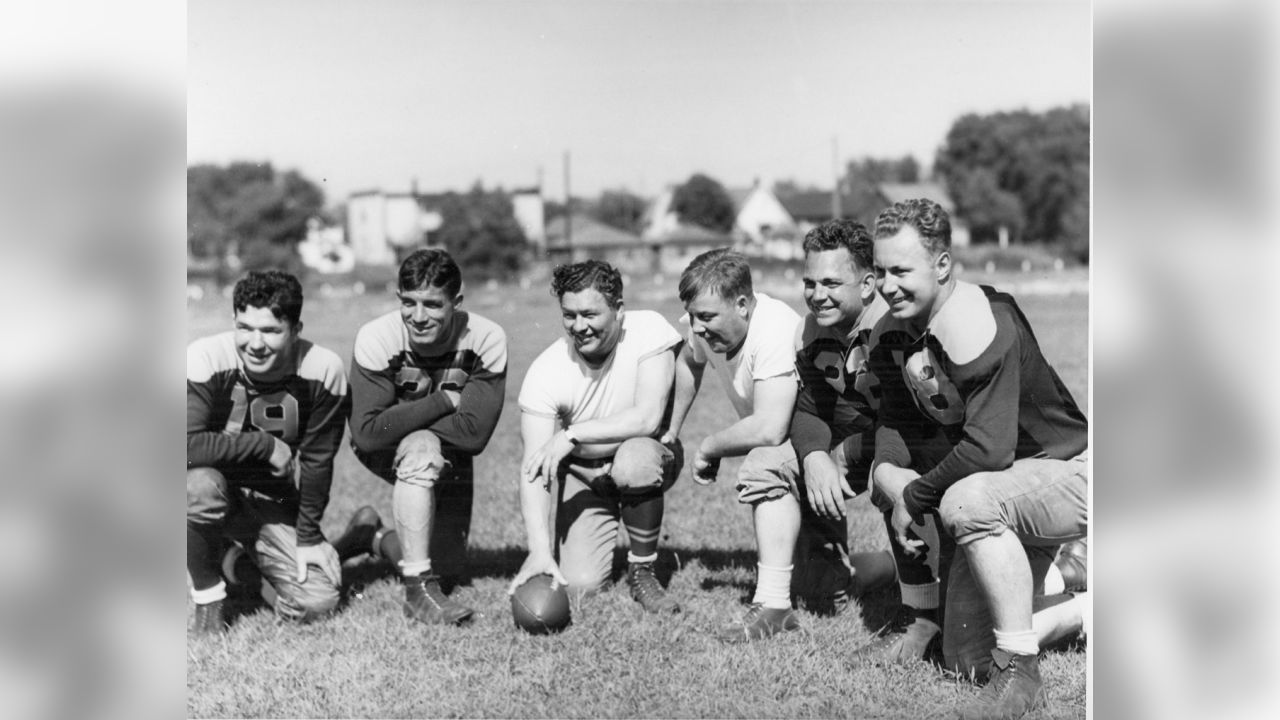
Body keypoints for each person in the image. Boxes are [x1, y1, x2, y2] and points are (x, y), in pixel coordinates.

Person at [868, 199, 1089, 719]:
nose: (886, 284)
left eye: (901, 270)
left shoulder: (980, 318)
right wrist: (887, 470)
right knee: (965, 659)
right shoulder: (895, 329)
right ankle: (1082, 605)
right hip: (1005, 490)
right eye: (879, 271)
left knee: (966, 501)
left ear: (943, 265)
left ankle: (1020, 669)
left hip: (1070, 472)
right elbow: (897, 422)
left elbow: (989, 448)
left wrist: (915, 496)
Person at [784, 220, 944, 658]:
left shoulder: (894, 325)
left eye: (832, 282)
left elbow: (916, 421)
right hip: (868, 438)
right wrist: (815, 454)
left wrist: (850, 451)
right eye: (810, 283)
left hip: (926, 442)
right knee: (780, 463)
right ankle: (828, 574)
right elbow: (810, 407)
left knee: (889, 477)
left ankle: (923, 615)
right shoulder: (811, 329)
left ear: (869, 283)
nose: (817, 295)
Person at [510, 260, 683, 614]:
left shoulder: (648, 328)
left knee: (635, 461)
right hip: (584, 473)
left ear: (619, 309)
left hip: (644, 454)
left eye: (590, 314)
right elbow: (534, 468)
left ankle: (642, 568)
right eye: (569, 315)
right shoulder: (546, 370)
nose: (579, 326)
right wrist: (539, 550)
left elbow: (648, 417)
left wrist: (572, 434)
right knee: (580, 583)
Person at [349, 249, 508, 626]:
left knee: (448, 569)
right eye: (409, 303)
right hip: (386, 449)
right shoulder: (378, 335)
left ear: (456, 302)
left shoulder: (485, 337)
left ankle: (370, 537)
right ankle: (417, 594)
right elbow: (369, 434)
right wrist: (444, 400)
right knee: (421, 449)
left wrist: (409, 422)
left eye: (433, 305)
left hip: (452, 450)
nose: (418, 317)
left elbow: (474, 434)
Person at [662, 248, 813, 641]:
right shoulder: (704, 325)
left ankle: (774, 606)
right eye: (691, 316)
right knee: (825, 580)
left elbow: (770, 429)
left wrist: (709, 446)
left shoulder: (775, 328)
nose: (696, 328)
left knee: (761, 462)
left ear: (742, 304)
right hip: (793, 451)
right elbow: (690, 360)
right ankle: (887, 567)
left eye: (706, 317)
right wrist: (672, 430)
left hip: (821, 444)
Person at [187, 270, 349, 633]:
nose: (255, 343)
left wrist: (308, 537)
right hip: (209, 492)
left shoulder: (322, 369)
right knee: (198, 485)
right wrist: (262, 444)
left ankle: (235, 561)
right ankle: (208, 596)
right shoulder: (206, 357)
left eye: (271, 331)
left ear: (296, 328)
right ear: (233, 322)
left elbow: (318, 460)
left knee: (318, 602)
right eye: (245, 327)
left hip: (269, 499)